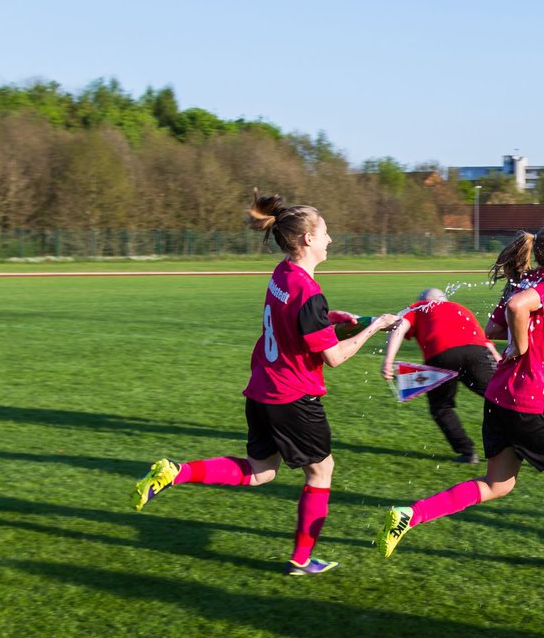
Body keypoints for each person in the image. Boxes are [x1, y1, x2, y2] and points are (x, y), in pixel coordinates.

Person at [130, 190, 396, 575]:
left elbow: (295, 320)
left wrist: (329, 317)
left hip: (262, 391)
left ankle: (176, 471)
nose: (330, 239)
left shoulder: (282, 273)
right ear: (307, 239)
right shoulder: (308, 292)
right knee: (321, 471)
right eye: (325, 232)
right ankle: (302, 560)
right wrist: (374, 328)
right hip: (293, 398)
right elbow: (334, 357)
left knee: (260, 471)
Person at [374, 219, 544, 572]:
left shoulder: (531, 279)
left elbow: (494, 327)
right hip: (532, 402)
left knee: (497, 484)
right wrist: (523, 344)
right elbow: (517, 312)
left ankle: (411, 514)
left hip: (501, 398)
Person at [381, 288, 499, 464]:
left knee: (441, 407)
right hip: (476, 352)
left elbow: (399, 326)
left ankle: (467, 452)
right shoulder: (460, 308)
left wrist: (388, 360)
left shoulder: (419, 307)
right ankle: (528, 439)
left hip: (441, 355)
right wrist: (499, 361)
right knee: (500, 398)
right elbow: (484, 341)